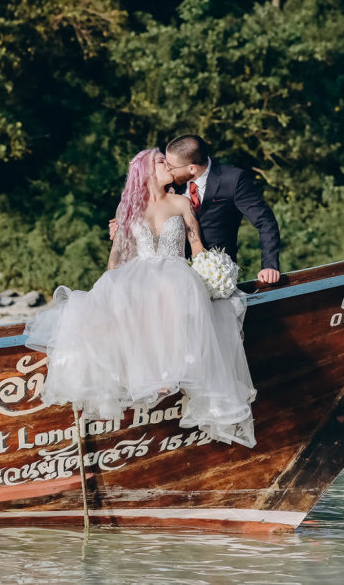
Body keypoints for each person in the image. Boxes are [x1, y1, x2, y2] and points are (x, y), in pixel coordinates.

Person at [25, 149, 257, 447]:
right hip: (139, 273)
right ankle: (147, 373)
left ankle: (178, 368)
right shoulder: (129, 208)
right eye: (161, 161)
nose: (168, 165)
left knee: (176, 289)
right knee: (124, 295)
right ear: (146, 171)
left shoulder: (181, 203)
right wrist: (108, 291)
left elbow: (196, 245)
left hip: (176, 274)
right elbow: (116, 260)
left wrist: (210, 276)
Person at [111, 134, 282, 285]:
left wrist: (270, 266)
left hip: (216, 275)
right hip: (167, 279)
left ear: (191, 168)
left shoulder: (233, 180)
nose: (167, 168)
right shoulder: (171, 183)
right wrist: (122, 227)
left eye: (170, 165)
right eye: (164, 163)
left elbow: (265, 222)